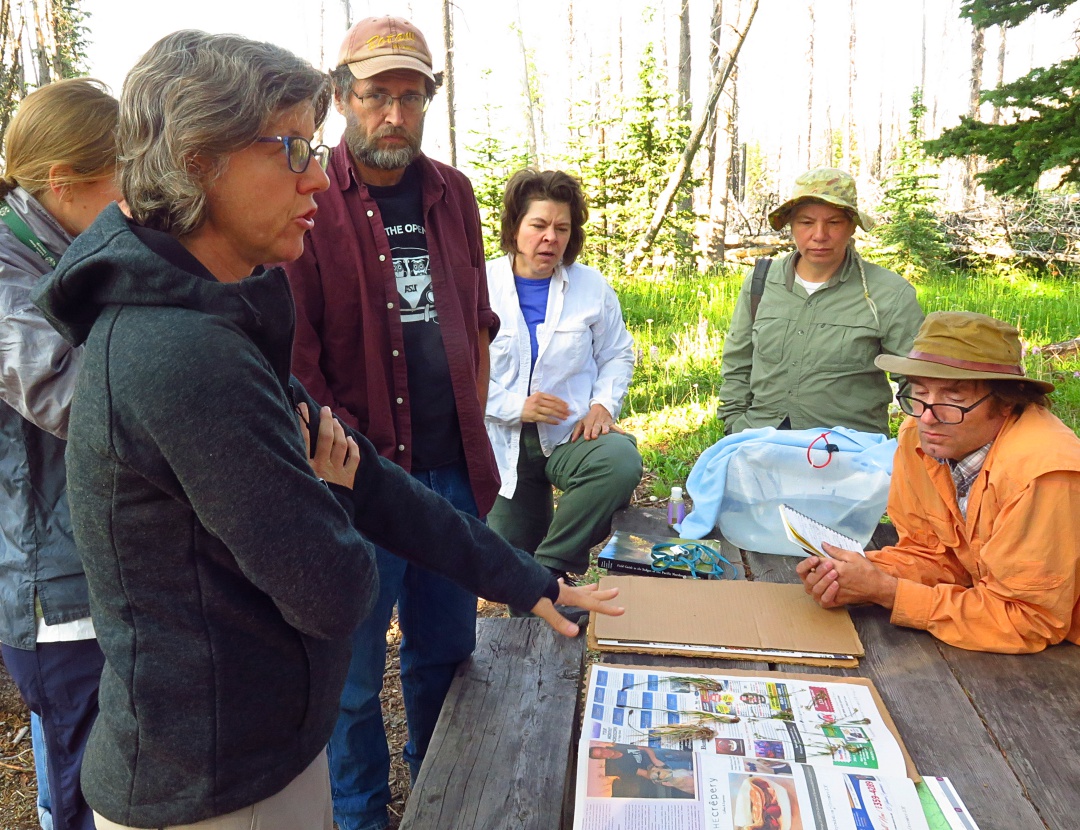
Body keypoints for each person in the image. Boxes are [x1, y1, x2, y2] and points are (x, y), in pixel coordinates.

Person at [30, 30, 619, 830]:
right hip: (208, 790)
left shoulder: (222, 308)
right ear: (199, 157)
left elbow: (370, 478)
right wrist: (326, 482)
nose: (314, 175)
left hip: (257, 757)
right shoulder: (179, 352)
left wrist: (522, 575)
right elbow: (336, 589)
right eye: (291, 149)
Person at [281, 16, 506, 830]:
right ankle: (361, 817)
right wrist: (349, 465)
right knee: (346, 680)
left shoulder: (453, 193)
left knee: (446, 655)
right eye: (376, 95)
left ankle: (445, 798)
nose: (394, 115)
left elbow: (477, 318)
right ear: (340, 96)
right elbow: (295, 357)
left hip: (449, 472)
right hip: (355, 483)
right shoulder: (309, 197)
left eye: (411, 96)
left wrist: (474, 420)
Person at [798, 312, 1080, 654]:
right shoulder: (918, 437)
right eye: (919, 393)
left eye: (953, 399)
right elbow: (936, 555)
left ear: (1006, 403)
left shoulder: (1043, 473)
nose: (928, 417)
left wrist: (887, 591)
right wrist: (853, 572)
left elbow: (1029, 621)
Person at [0, 77, 121, 830]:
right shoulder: (10, 269)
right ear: (63, 181)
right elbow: (71, 397)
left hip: (98, 570)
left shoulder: (70, 244)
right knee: (86, 794)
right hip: (56, 590)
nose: (137, 193)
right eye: (124, 173)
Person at [485, 169, 642, 585]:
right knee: (508, 557)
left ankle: (550, 567)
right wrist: (514, 406)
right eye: (538, 225)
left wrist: (603, 404)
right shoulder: (479, 286)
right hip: (503, 442)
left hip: (570, 436)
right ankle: (538, 610)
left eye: (561, 228)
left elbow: (617, 353)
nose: (550, 238)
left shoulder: (591, 287)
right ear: (515, 227)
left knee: (620, 461)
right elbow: (455, 372)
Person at [717, 168, 924, 436]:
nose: (819, 235)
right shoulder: (761, 282)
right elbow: (738, 362)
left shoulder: (888, 293)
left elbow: (917, 380)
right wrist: (735, 424)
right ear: (791, 225)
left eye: (834, 223)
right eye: (806, 222)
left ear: (852, 226)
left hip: (848, 451)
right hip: (760, 440)